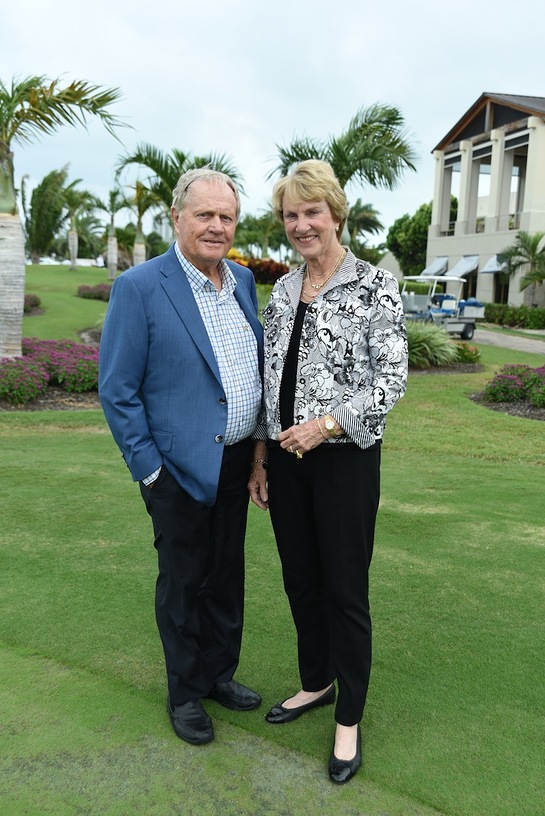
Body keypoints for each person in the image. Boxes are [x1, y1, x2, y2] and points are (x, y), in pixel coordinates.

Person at [248, 160, 408, 784]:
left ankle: (349, 717)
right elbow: (270, 381)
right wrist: (262, 454)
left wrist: (327, 425)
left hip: (343, 462)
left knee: (344, 590)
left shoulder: (374, 285)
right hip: (286, 464)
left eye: (311, 212)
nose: (300, 224)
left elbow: (390, 379)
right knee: (300, 581)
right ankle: (316, 681)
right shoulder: (284, 290)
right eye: (290, 215)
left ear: (335, 214)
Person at [99, 167, 264, 746]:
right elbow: (118, 391)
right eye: (205, 215)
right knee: (183, 583)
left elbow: (250, 372)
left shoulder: (242, 281)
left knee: (225, 578)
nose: (217, 227)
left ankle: (219, 674)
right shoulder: (141, 287)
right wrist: (151, 473)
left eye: (227, 217)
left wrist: (259, 454)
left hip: (238, 461)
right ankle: (186, 692)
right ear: (177, 218)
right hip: (175, 470)